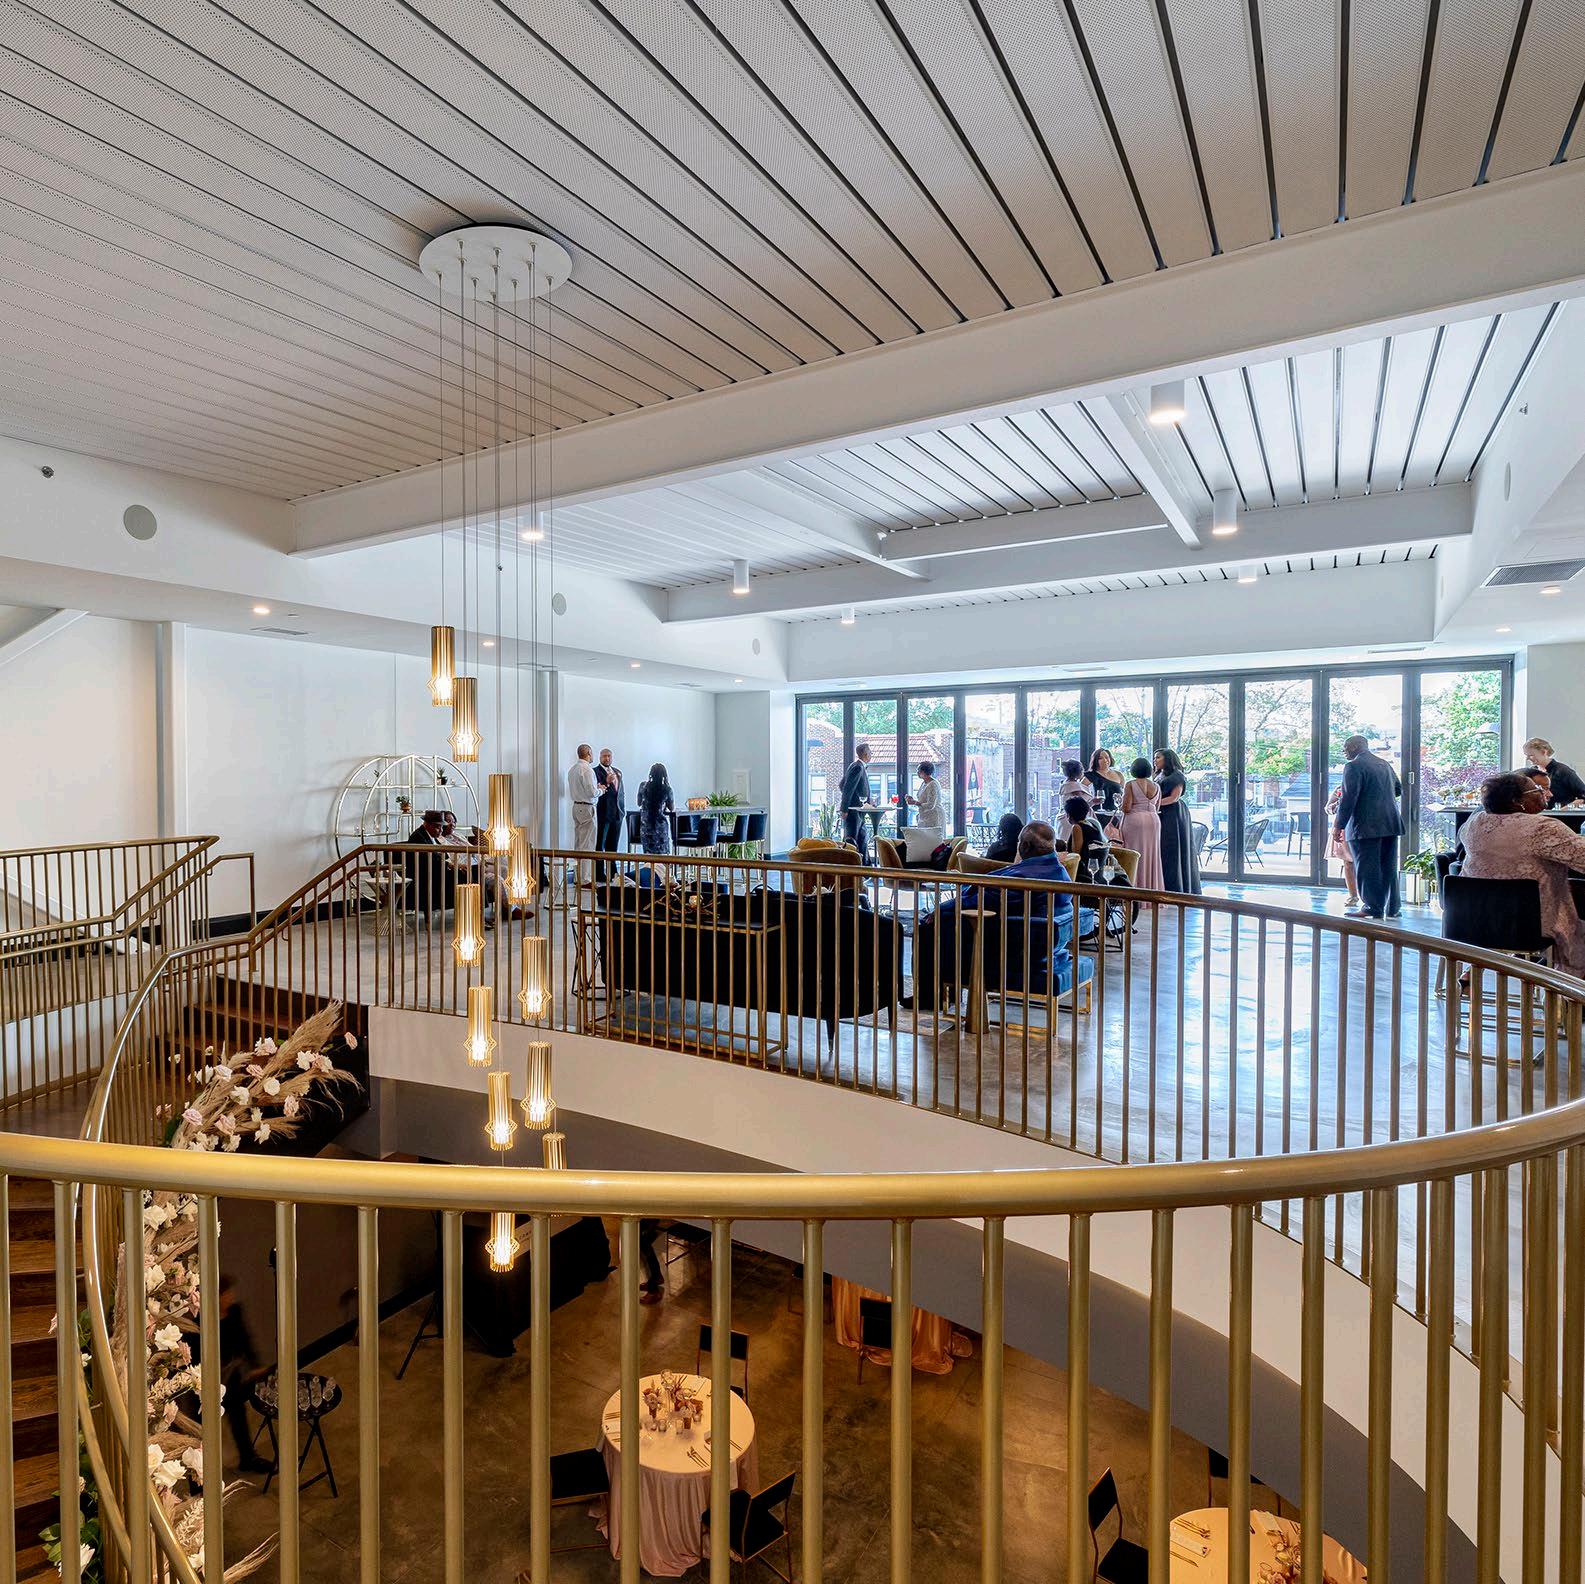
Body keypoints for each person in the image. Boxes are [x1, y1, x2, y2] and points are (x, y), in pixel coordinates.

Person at [1460, 770, 1585, 974]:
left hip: (1472, 920)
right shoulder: (1542, 828)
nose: (1546, 793)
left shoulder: (1474, 824)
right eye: (1537, 789)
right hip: (1529, 925)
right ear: (1517, 801)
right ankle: (1564, 989)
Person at [1333, 734, 1404, 919]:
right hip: (1390, 823)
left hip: (1364, 826)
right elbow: (1398, 789)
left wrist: (1338, 826)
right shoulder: (1384, 764)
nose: (1344, 752)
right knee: (1388, 867)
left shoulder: (1353, 766)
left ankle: (1372, 908)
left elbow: (1348, 799)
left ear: (1354, 747)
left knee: (1367, 868)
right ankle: (1393, 908)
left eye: (1345, 748)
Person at [1154, 749, 1202, 894]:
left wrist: (1154, 804)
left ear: (1167, 759)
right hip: (1161, 813)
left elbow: (1174, 797)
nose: (1155, 760)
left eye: (1158, 757)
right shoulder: (1159, 774)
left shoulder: (1177, 776)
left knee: (1173, 848)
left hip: (1173, 814)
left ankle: (1176, 887)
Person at [1118, 758, 1163, 891]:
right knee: (1152, 855)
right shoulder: (1156, 786)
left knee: (1133, 854)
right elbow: (1157, 807)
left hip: (1135, 821)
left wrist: (1121, 803)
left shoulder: (1131, 784)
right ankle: (1151, 890)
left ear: (1133, 770)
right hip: (1153, 821)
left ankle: (1135, 889)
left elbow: (1126, 808)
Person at [1520, 737, 1585, 807]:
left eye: (1531, 755)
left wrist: (1562, 810)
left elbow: (1583, 796)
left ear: (1543, 752)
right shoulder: (1531, 772)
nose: (1527, 759)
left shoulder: (1563, 771)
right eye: (1526, 755)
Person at [1060, 795, 1111, 884]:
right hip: (1098, 873)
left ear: (1069, 815)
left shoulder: (1077, 827)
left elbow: (1076, 855)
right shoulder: (1093, 824)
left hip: (1084, 875)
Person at [566, 744, 598, 884]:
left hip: (576, 806)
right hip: (587, 807)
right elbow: (592, 792)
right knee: (587, 844)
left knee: (578, 843)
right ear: (589, 753)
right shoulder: (587, 769)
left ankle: (577, 877)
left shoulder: (573, 769)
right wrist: (601, 790)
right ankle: (585, 879)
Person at [1324, 784, 1359, 909]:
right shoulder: (1339, 788)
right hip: (1343, 828)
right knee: (1348, 862)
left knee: (1362, 862)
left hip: (1359, 826)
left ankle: (1367, 896)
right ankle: (1353, 895)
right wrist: (1336, 805)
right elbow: (1328, 808)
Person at [594, 747, 624, 881]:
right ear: (600, 757)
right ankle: (599, 873)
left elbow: (620, 793)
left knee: (613, 845)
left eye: (609, 756)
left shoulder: (617, 772)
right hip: (603, 813)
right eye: (604, 756)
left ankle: (613, 872)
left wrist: (622, 810)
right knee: (600, 844)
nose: (607, 758)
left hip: (617, 814)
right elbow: (595, 790)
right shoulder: (595, 772)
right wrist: (606, 781)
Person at [840, 744, 875, 856]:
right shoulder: (858, 767)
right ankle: (852, 863)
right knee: (852, 841)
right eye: (870, 752)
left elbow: (842, 785)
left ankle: (865, 863)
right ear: (865, 754)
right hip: (853, 811)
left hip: (859, 810)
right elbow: (847, 788)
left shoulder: (855, 765)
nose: (871, 755)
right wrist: (844, 809)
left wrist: (867, 800)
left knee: (862, 838)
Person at [637, 763, 674, 855]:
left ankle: (648, 865)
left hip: (646, 826)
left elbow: (639, 803)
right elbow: (671, 807)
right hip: (660, 826)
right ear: (664, 776)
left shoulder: (643, 786)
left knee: (648, 854)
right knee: (662, 854)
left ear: (651, 774)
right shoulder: (667, 789)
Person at [907, 761, 946, 842]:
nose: (917, 772)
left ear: (924, 771)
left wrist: (915, 802)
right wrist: (912, 800)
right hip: (925, 816)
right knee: (924, 841)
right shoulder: (924, 783)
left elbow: (931, 805)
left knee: (933, 842)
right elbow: (922, 800)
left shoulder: (933, 784)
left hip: (934, 816)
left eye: (919, 770)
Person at [1085, 749, 1124, 819]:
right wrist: (1090, 802)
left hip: (1116, 814)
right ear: (1095, 760)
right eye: (1100, 758)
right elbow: (1080, 793)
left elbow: (1124, 795)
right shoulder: (1090, 775)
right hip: (1097, 815)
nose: (1105, 760)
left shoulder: (1119, 774)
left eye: (1107, 757)